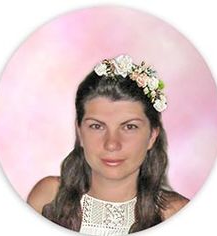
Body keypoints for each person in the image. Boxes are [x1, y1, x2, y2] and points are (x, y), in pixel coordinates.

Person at [27, 55, 189, 235]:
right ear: (80, 132)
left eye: (129, 126)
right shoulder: (48, 198)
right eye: (97, 126)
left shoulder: (178, 214)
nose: (112, 144)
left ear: (152, 136)